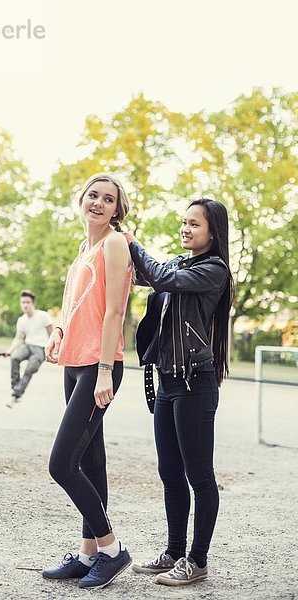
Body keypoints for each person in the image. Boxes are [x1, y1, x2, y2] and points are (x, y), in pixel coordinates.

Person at [126, 197, 234, 587]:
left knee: (199, 477)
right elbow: (146, 275)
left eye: (194, 224)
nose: (186, 229)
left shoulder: (214, 270)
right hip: (170, 382)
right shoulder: (179, 263)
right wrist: (118, 245)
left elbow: (160, 277)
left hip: (195, 385)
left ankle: (197, 561)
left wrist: (135, 244)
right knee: (169, 473)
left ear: (212, 232)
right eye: (184, 222)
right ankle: (173, 552)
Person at [42, 174, 133, 590]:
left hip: (99, 365)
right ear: (82, 200)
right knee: (91, 462)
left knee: (61, 464)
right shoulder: (84, 249)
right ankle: (87, 555)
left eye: (108, 198)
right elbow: (74, 305)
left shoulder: (115, 242)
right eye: (93, 195)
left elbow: (115, 311)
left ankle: (113, 550)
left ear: (117, 208)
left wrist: (104, 370)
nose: (98, 202)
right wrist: (58, 330)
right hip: (74, 363)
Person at [3, 290, 53, 408]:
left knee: (30, 368)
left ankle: (15, 395)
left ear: (32, 303)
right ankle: (16, 388)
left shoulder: (43, 316)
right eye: (23, 302)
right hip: (28, 345)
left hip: (41, 348)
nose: (25, 305)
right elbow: (19, 338)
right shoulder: (22, 320)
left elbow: (52, 333)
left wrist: (52, 350)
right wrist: (9, 351)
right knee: (14, 357)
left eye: (28, 302)